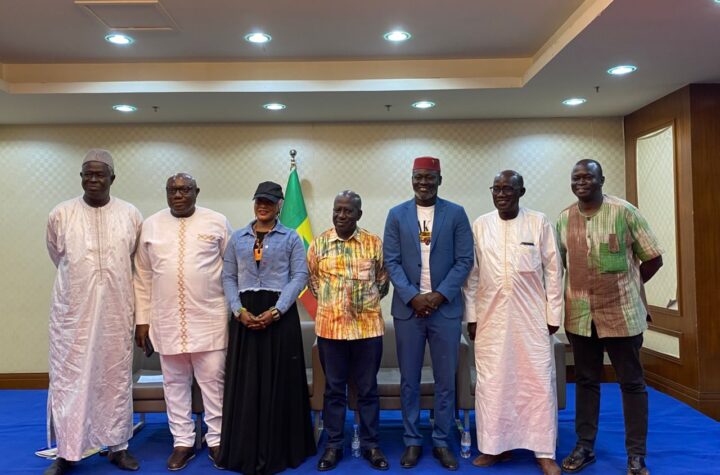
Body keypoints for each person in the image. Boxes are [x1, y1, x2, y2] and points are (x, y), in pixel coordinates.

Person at [557, 159, 663, 475]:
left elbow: (653, 258)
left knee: (631, 383)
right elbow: (559, 266)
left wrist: (628, 286)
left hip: (622, 315)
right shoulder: (564, 219)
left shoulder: (625, 212)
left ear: (601, 180)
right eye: (576, 177)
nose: (581, 182)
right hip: (580, 317)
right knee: (586, 381)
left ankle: (636, 455)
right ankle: (585, 446)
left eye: (588, 177)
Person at [44, 149, 142, 475]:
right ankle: (67, 452)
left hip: (116, 310)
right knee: (69, 379)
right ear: (81, 177)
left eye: (100, 174)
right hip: (73, 313)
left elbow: (135, 261)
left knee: (115, 377)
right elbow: (57, 255)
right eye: (88, 174)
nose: (93, 179)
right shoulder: (61, 214)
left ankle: (118, 447)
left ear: (112, 178)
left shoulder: (130, 214)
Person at [463, 170, 563, 475]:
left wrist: (553, 315)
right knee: (493, 382)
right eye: (496, 189)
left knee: (538, 381)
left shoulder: (539, 222)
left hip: (531, 318)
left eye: (508, 189)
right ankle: (495, 447)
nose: (502, 194)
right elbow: (472, 276)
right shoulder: (481, 225)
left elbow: (554, 270)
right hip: (490, 318)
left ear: (521, 192)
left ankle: (544, 451)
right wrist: (472, 316)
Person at [133, 173, 232, 470]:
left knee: (214, 383)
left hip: (210, 319)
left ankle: (217, 439)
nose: (178, 195)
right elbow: (142, 277)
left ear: (196, 192)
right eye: (172, 190)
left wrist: (235, 314)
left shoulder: (217, 222)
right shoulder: (150, 225)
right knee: (174, 384)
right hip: (166, 320)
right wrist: (142, 320)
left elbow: (232, 270)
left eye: (184, 189)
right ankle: (182, 442)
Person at [383, 156, 474, 471]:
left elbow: (464, 260)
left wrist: (437, 296)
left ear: (439, 180)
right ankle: (412, 440)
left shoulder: (456, 214)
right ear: (412, 179)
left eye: (429, 177)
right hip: (408, 310)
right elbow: (391, 261)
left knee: (445, 379)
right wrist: (413, 297)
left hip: (444, 310)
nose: (423, 183)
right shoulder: (396, 215)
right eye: (418, 177)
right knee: (409, 379)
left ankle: (441, 441)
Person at [219, 181, 316, 474]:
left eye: (269, 202)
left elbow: (300, 275)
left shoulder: (291, 238)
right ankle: (243, 450)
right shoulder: (237, 238)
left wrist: (276, 310)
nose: (263, 206)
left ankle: (280, 450)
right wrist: (238, 310)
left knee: (280, 381)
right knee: (247, 382)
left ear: (279, 206)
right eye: (259, 201)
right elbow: (228, 277)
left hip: (280, 319)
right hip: (244, 318)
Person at [307, 190, 390, 472]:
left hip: (367, 331)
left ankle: (371, 445)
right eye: (337, 210)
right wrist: (335, 305)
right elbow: (314, 283)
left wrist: (360, 305)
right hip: (331, 331)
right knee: (334, 390)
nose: (341, 215)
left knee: (367, 390)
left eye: (348, 211)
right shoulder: (319, 244)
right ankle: (333, 446)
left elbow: (382, 282)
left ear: (359, 214)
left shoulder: (373, 243)